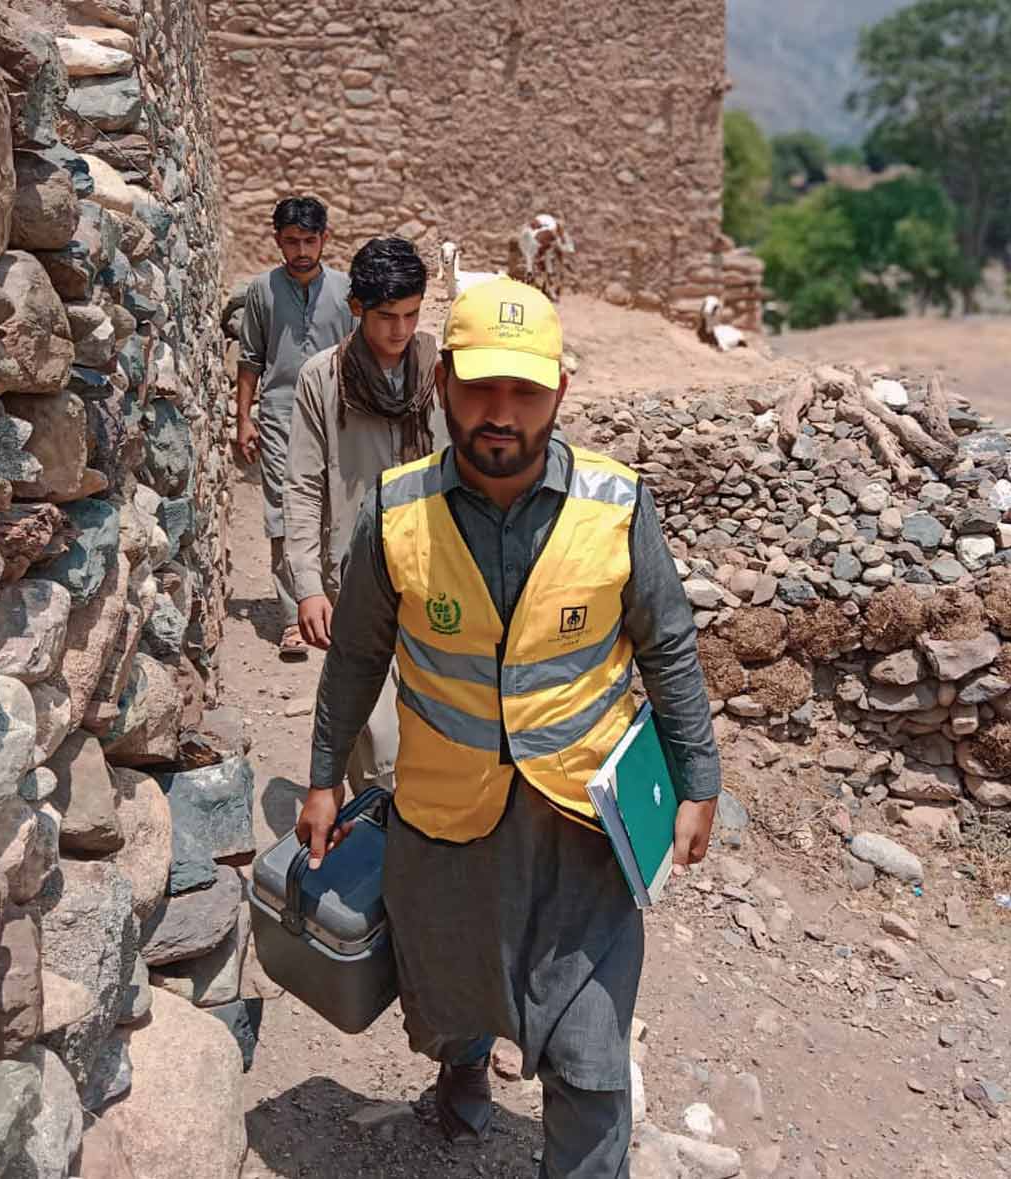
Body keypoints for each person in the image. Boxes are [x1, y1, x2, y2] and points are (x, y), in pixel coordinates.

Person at [297, 277, 721, 1177]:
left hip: (583, 830)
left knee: (593, 1050)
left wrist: (699, 778)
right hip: (445, 821)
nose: (501, 414)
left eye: (525, 392)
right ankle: (460, 1087)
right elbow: (356, 657)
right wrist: (325, 774)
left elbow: (670, 647)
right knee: (453, 990)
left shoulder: (616, 505)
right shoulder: (397, 510)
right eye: (482, 388)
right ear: (443, 381)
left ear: (559, 394)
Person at [283, 236, 445, 789]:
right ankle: (372, 842)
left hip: (440, 571)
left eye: (411, 315)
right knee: (375, 744)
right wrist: (307, 585)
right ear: (356, 308)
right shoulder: (322, 379)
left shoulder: (441, 373)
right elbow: (303, 486)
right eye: (385, 316)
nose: (400, 330)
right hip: (356, 576)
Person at [236, 195, 355, 660]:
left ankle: (335, 608)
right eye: (292, 242)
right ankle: (292, 619)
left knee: (337, 510)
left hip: (338, 413)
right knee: (283, 513)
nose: (301, 251)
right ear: (278, 242)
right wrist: (245, 418)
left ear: (325, 239)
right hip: (281, 414)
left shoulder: (347, 290)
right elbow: (251, 359)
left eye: (309, 240)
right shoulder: (262, 291)